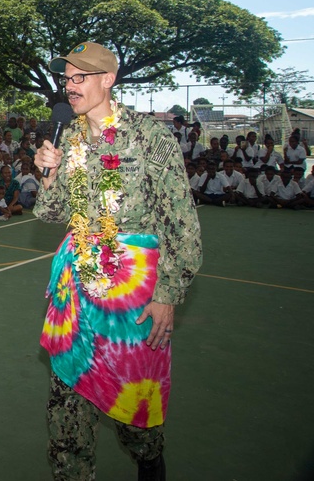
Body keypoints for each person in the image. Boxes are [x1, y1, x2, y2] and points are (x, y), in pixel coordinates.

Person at [33, 41, 202, 480]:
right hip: (76, 289)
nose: (70, 88)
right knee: (65, 410)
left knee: (133, 417)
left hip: (132, 296)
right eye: (66, 79)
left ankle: (150, 461)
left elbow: (181, 223)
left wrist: (167, 294)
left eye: (80, 78)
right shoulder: (67, 138)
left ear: (107, 80)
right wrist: (48, 175)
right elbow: (53, 215)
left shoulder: (148, 136)